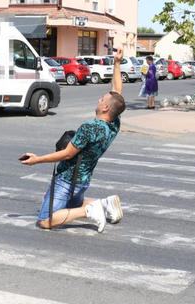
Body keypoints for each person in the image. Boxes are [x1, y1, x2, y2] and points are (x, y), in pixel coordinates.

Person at [19, 48, 126, 233]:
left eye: (103, 99)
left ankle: (88, 210)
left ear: (106, 107)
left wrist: (37, 159)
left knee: (46, 219)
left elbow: (68, 153)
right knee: (69, 205)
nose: (99, 98)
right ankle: (106, 204)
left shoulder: (90, 127)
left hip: (67, 180)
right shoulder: (113, 124)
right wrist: (116, 63)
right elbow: (116, 92)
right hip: (83, 179)